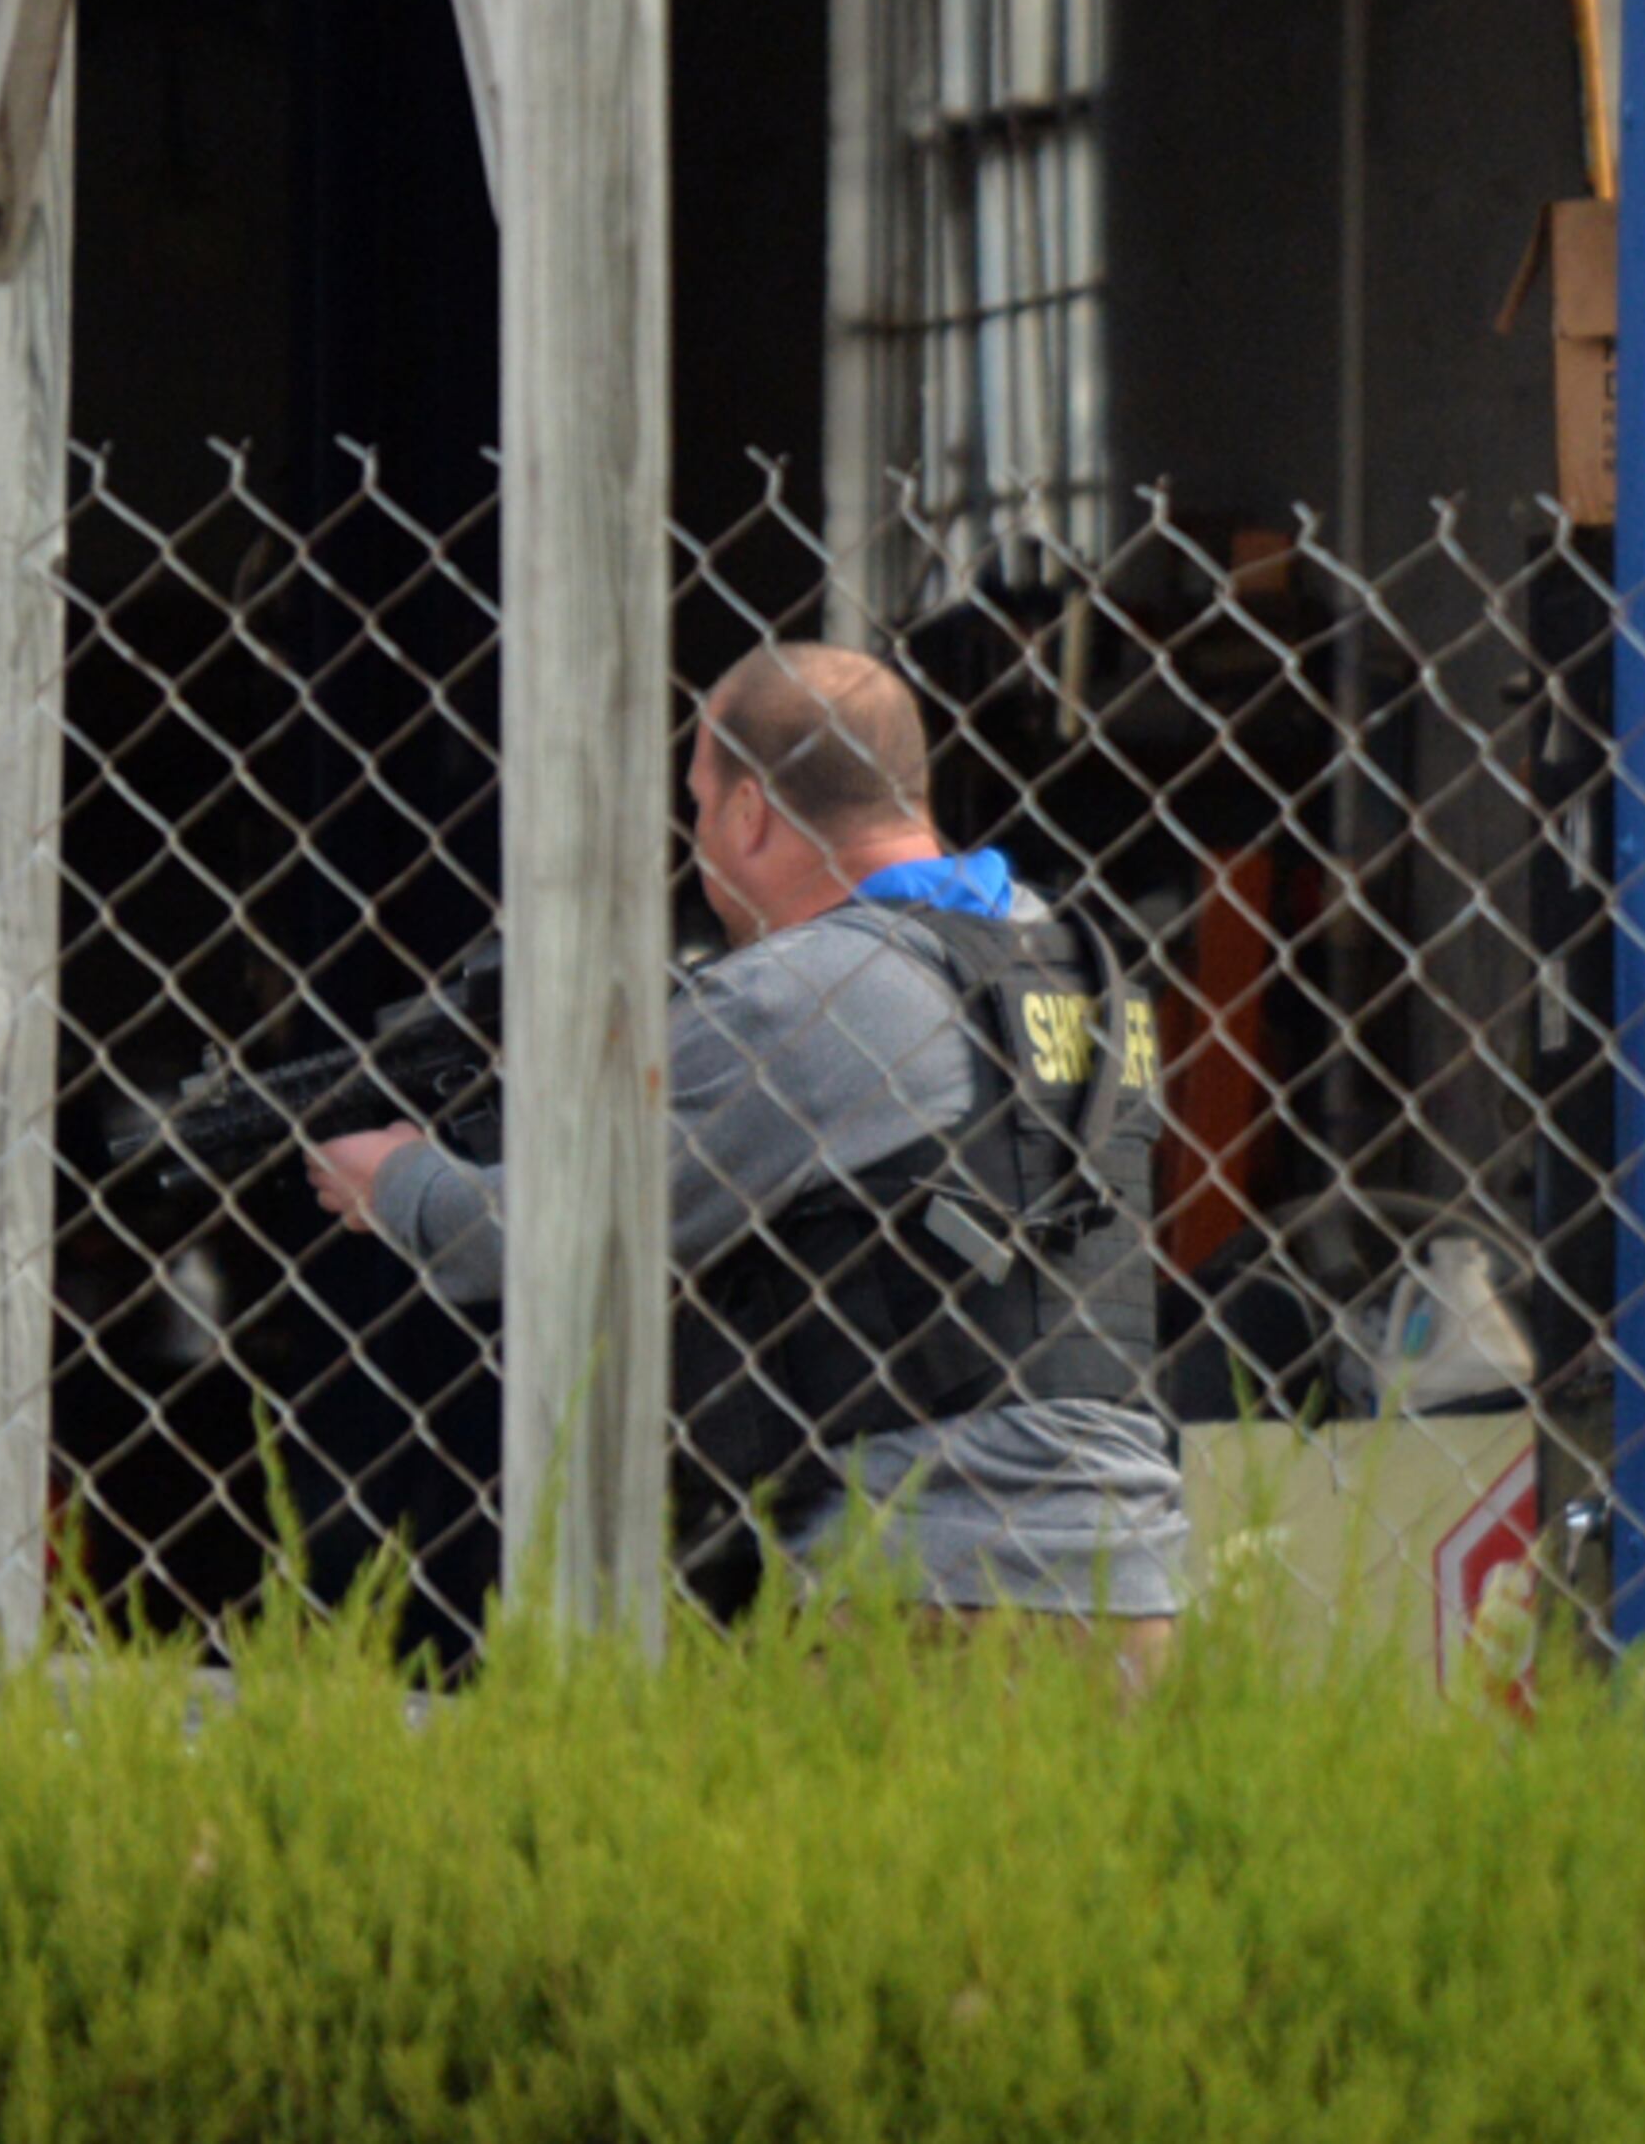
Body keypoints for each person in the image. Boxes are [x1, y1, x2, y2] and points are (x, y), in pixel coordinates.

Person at [306, 641, 1184, 1673]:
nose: (698, 842)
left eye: (699, 805)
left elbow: (541, 1236)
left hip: (929, 1595)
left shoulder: (804, 991)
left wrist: (396, 1175)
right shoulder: (1077, 964)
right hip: (1132, 1591)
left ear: (752, 812)